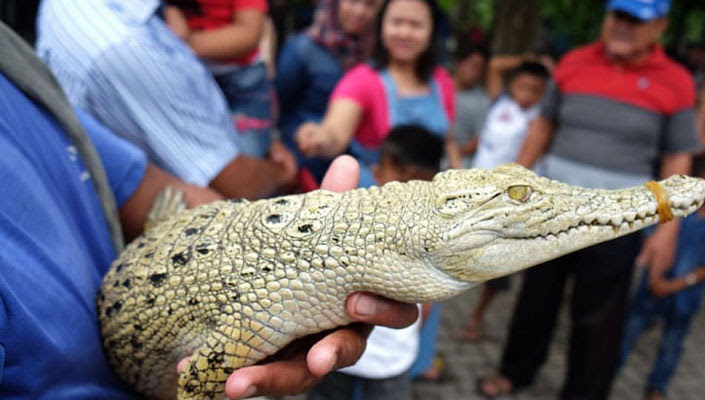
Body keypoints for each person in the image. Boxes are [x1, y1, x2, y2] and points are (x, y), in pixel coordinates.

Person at [0, 22, 418, 399]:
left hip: (160, 279)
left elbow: (147, 188)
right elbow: (198, 382)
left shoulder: (15, 66)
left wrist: (302, 237)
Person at [480, 1, 699, 398]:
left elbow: (677, 158)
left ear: (660, 27)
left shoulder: (677, 81)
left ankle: (584, 393)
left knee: (600, 316)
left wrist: (667, 231)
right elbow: (543, 126)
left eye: (636, 20)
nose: (622, 26)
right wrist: (507, 190)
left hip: (618, 221)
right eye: (618, 15)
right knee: (535, 298)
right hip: (553, 212)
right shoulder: (573, 63)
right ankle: (516, 370)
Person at [36, 0, 297, 200]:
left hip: (237, 91)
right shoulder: (128, 50)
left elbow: (249, 33)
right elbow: (236, 183)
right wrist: (283, 173)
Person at [308, 125, 443, 400]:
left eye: (383, 165)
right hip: (365, 351)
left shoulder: (425, 234)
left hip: (374, 353)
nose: (377, 172)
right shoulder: (357, 221)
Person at [617, 155, 705, 400]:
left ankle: (657, 387)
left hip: (684, 299)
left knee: (672, 346)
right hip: (651, 288)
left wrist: (675, 285)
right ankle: (609, 373)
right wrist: (656, 277)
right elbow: (653, 237)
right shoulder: (678, 206)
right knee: (627, 334)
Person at [295, 0, 461, 188]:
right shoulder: (362, 80)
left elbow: (448, 142)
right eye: (397, 22)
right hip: (377, 199)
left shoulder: (442, 81)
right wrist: (319, 138)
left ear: (432, 30)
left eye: (416, 24)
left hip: (434, 196)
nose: (405, 32)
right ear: (381, 25)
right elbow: (335, 134)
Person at [459, 61, 550, 342]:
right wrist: (530, 57)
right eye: (523, 86)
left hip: (508, 202)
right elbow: (496, 66)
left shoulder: (539, 119)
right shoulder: (499, 104)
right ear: (513, 85)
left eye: (536, 89)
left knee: (499, 265)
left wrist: (553, 69)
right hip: (475, 190)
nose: (528, 94)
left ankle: (477, 316)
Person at [276, 0, 382, 182]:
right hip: (307, 155)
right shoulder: (302, 49)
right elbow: (280, 105)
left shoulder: (377, 55)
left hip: (360, 160)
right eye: (353, 2)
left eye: (369, 5)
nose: (359, 11)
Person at [162, 0, 277, 157]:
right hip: (184, 79)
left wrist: (185, 42)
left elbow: (249, 34)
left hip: (241, 84)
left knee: (245, 160)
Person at [452, 42, 490, 168]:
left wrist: (454, 153)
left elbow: (481, 138)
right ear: (460, 62)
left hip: (461, 163)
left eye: (481, 69)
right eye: (474, 66)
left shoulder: (481, 102)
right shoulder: (438, 88)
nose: (476, 73)